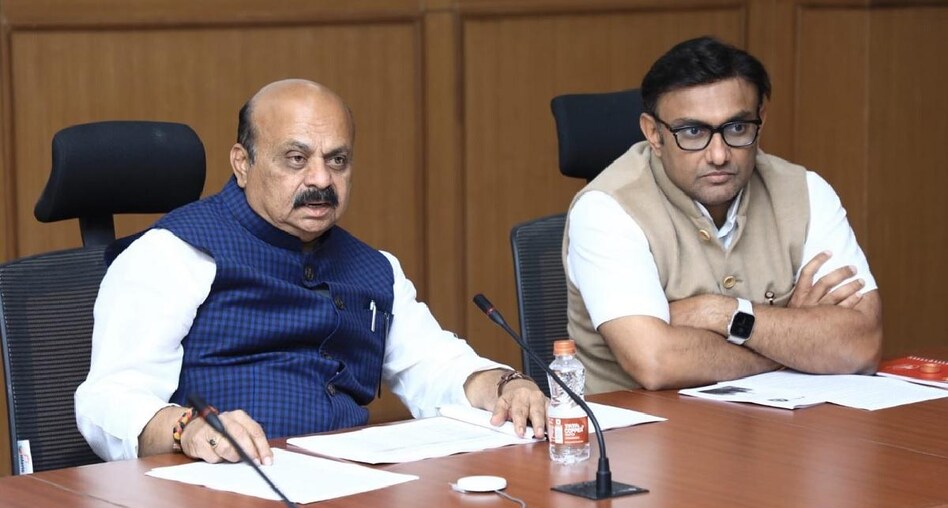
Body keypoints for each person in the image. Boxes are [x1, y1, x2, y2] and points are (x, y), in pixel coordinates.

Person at [75, 79, 547, 464]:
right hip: (221, 491)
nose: (321, 179)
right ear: (243, 163)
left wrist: (505, 386)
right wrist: (188, 429)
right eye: (296, 159)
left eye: (336, 160)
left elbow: (433, 365)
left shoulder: (375, 268)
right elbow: (108, 399)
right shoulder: (175, 253)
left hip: (352, 488)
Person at [564, 36, 883, 394]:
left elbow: (861, 346)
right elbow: (656, 362)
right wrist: (792, 346)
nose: (718, 155)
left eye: (736, 128)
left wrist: (719, 313)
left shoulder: (806, 191)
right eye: (693, 132)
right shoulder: (607, 208)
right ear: (654, 134)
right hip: (642, 426)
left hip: (776, 422)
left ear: (761, 119)